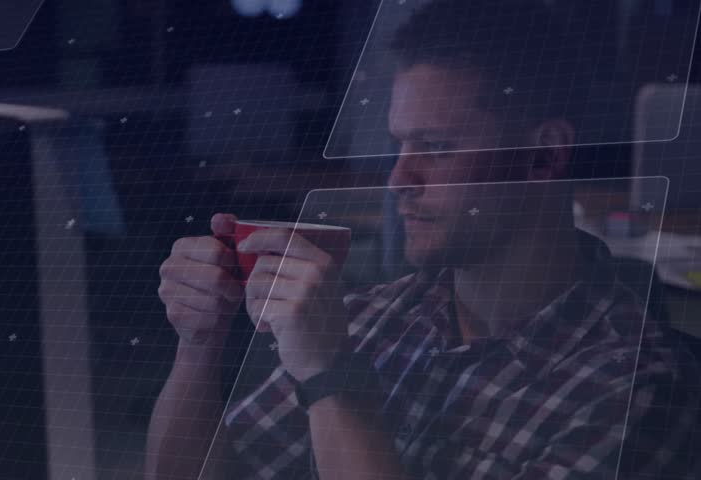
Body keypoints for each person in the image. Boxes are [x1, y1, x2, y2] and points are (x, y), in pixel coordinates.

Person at [146, 1, 701, 478]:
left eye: (434, 147)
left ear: (543, 154)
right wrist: (198, 346)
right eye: (400, 147)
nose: (398, 180)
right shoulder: (372, 320)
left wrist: (331, 378)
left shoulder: (635, 387)